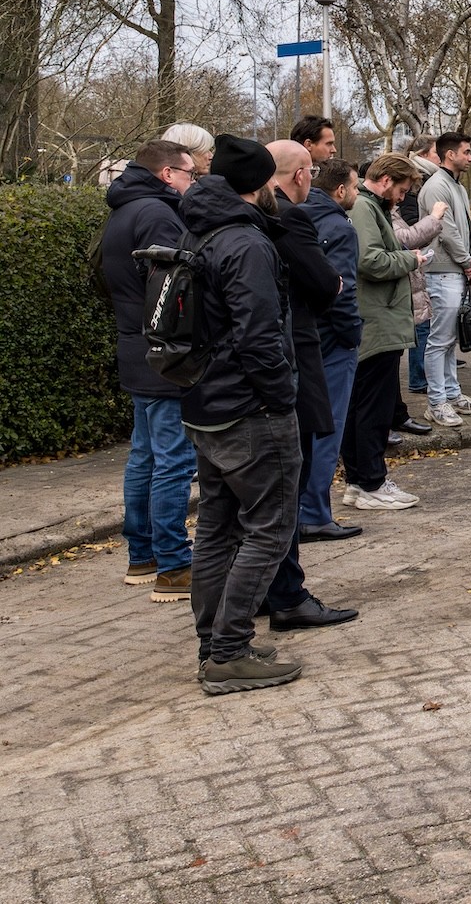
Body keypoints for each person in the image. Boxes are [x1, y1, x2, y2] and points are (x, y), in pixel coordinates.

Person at [178, 135, 304, 694]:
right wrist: (282, 396)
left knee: (216, 528)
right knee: (269, 528)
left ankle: (215, 642)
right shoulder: (246, 243)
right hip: (249, 408)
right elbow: (259, 336)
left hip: (204, 401)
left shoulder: (197, 230)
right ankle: (228, 651)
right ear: (260, 185)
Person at [258, 140, 359, 632]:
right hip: (289, 360)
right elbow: (326, 283)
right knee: (285, 488)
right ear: (301, 174)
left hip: (244, 377)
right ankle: (287, 594)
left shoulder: (227, 220)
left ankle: (259, 589)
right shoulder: (287, 219)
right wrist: (334, 287)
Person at [100, 139, 198, 600]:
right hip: (163, 352)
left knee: (144, 454)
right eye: (189, 174)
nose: (192, 182)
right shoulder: (158, 214)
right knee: (172, 460)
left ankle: (143, 556)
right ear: (167, 174)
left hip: (135, 345)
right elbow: (174, 288)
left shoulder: (123, 210)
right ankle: (174, 566)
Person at [343, 153, 428, 512]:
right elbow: (370, 261)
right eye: (402, 190)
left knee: (363, 405)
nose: (403, 198)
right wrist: (413, 259)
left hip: (379, 320)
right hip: (377, 322)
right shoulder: (365, 208)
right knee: (371, 408)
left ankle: (359, 481)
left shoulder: (368, 207)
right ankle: (370, 482)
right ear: (386, 180)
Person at [299, 159, 365, 540]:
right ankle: (315, 513)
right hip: (333, 341)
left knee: (307, 429)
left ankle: (303, 508)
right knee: (328, 428)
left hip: (306, 337)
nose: (356, 194)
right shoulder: (339, 227)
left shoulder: (297, 216)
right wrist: (352, 333)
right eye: (355, 187)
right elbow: (342, 288)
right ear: (340, 190)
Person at [417, 132, 471, 425]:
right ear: (450, 155)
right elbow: (444, 231)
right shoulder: (436, 187)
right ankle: (436, 402)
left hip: (456, 269)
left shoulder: (456, 186)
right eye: (467, 152)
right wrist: (467, 261)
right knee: (440, 340)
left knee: (448, 340)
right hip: (442, 271)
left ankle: (451, 393)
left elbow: (468, 230)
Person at [401, 135, 441, 398]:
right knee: (420, 322)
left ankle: (423, 373)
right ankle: (419, 377)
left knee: (424, 320)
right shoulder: (414, 183)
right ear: (424, 154)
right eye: (437, 152)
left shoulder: (425, 180)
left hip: (419, 259)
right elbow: (408, 227)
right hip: (414, 260)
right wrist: (433, 220)